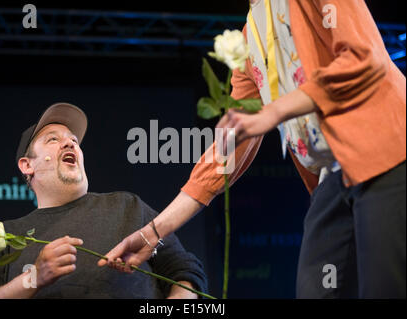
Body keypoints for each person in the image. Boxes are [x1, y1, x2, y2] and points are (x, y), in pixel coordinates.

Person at [101, 0, 406, 298]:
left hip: (387, 150)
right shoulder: (250, 38)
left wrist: (272, 113)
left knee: (385, 285)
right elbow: (229, 149)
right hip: (332, 177)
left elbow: (363, 59)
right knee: (318, 289)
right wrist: (153, 233)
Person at [0, 103, 207, 299]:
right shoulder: (6, 235)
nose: (70, 143)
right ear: (27, 165)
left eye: (74, 141)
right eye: (53, 139)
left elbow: (185, 271)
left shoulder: (127, 206)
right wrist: (34, 277)